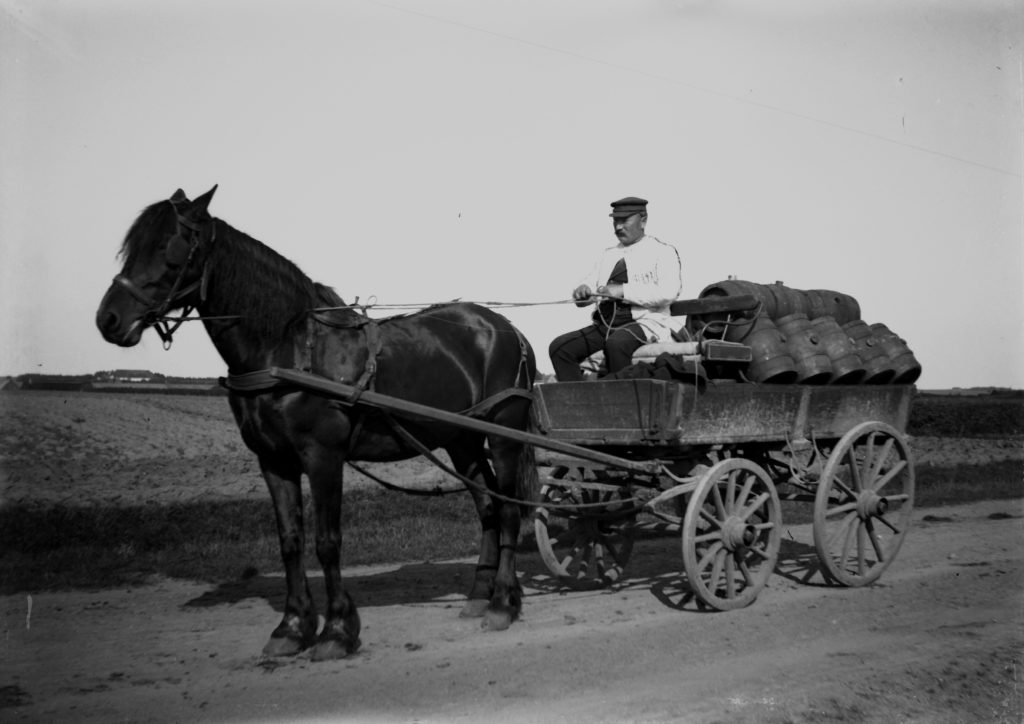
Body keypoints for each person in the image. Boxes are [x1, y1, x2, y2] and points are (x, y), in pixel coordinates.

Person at [548, 196, 683, 381]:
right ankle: (580, 404)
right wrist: (583, 291)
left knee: (617, 343)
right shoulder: (608, 255)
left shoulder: (663, 252)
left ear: (643, 220)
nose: (618, 227)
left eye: (624, 221)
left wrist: (622, 291)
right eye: (615, 221)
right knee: (560, 348)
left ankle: (623, 406)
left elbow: (668, 292)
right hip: (606, 325)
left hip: (646, 323)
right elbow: (589, 286)